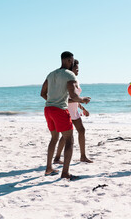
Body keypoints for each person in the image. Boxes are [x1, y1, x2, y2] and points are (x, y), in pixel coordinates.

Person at [40, 51, 91, 179]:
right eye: (72, 61)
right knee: (69, 139)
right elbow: (73, 95)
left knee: (54, 138)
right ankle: (65, 173)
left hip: (48, 109)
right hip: (60, 110)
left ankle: (48, 168)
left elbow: (42, 93)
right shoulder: (70, 75)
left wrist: (52, 100)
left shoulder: (51, 74)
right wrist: (82, 99)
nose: (73, 63)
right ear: (68, 60)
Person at [53, 59, 93, 164]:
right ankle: (57, 158)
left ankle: (83, 156)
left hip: (74, 111)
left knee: (82, 131)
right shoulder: (67, 81)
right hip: (66, 111)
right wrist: (82, 101)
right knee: (66, 136)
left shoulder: (76, 80)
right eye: (76, 68)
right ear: (71, 69)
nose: (78, 70)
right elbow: (64, 99)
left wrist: (83, 108)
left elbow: (76, 97)